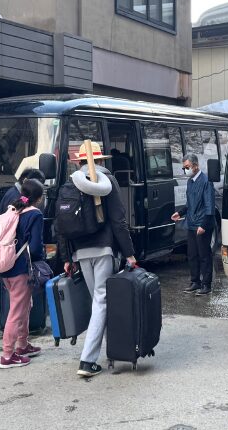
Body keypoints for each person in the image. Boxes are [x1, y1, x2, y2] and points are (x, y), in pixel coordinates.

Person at [60, 141, 137, 378]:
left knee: (98, 302)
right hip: (103, 249)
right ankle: (87, 360)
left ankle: (108, 351)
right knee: (102, 302)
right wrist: (129, 252)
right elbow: (118, 221)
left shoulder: (70, 183)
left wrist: (65, 256)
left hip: (80, 252)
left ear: (80, 162)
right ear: (100, 160)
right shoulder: (107, 180)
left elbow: (60, 225)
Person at [0, 178, 46, 369]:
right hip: (21, 269)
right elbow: (34, 247)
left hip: (7, 267)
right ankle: (8, 355)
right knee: (17, 311)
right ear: (39, 197)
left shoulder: (15, 210)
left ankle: (23, 346)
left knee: (24, 306)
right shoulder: (35, 214)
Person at [172, 153, 216, 296]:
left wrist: (204, 225)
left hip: (202, 224)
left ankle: (206, 284)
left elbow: (209, 206)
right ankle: (195, 282)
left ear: (196, 166)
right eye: (184, 168)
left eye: (187, 167)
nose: (185, 170)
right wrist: (180, 212)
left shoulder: (206, 181)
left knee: (204, 255)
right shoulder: (191, 181)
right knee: (192, 254)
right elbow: (189, 203)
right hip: (191, 223)